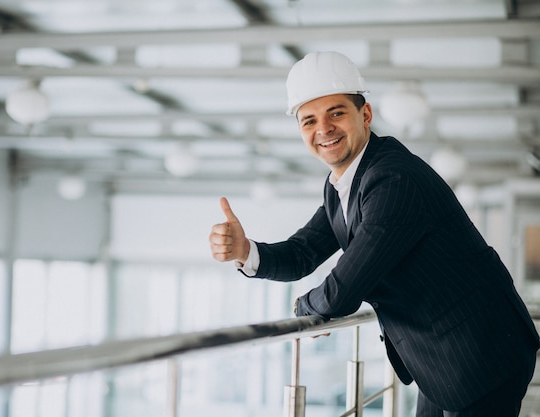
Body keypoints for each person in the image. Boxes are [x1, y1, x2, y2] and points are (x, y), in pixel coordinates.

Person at [208, 51, 540, 417]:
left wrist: (306, 310)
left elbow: (346, 286)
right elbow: (303, 252)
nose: (323, 129)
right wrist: (246, 251)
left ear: (364, 115)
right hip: (445, 355)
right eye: (308, 121)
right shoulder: (345, 184)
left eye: (336, 113)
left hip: (481, 352)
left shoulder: (392, 179)